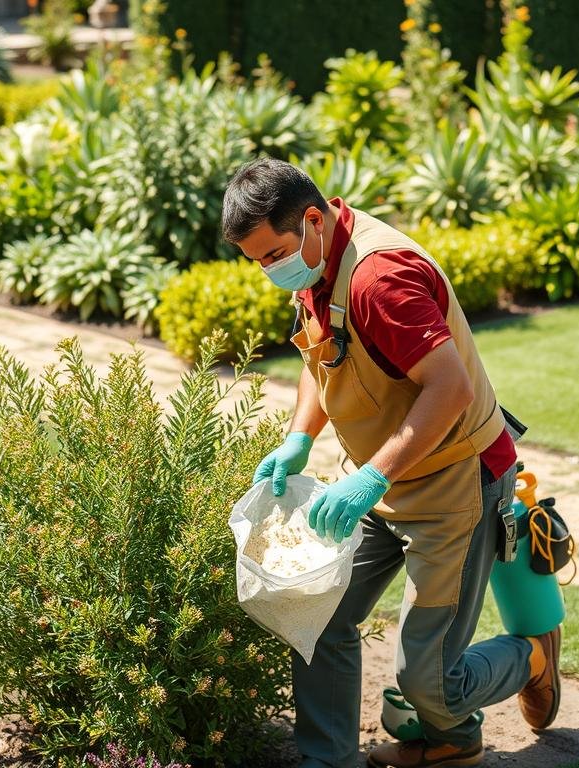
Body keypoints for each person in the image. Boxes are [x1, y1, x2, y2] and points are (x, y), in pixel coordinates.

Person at [222, 157, 560, 768]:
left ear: (314, 219)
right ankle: (337, 760)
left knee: (427, 680)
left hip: (454, 483)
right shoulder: (316, 262)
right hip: (379, 478)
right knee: (318, 611)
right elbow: (321, 353)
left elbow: (449, 388)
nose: (270, 269)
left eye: (273, 255)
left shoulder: (379, 280)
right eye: (258, 261)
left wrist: (371, 476)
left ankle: (531, 657)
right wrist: (299, 437)